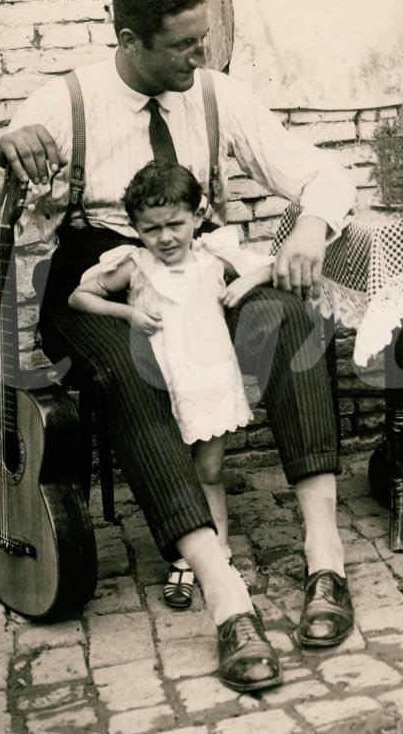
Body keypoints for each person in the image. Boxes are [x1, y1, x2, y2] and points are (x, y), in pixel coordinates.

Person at [0, 0, 358, 693]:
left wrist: (313, 227)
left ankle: (324, 557)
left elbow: (321, 173)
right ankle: (225, 594)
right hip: (98, 283)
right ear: (130, 38)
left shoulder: (212, 95)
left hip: (197, 272)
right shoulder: (62, 104)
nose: (199, 57)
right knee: (135, 362)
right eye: (183, 46)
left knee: (291, 322)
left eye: (204, 39)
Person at [69, 162, 273, 615]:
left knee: (209, 471)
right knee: (173, 473)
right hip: (160, 386)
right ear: (136, 228)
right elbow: (78, 297)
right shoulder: (135, 265)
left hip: (210, 384)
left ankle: (220, 554)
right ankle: (185, 559)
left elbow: (270, 266)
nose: (164, 238)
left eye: (175, 225)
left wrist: (242, 286)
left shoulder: (212, 258)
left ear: (196, 216)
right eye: (151, 229)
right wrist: (129, 315)